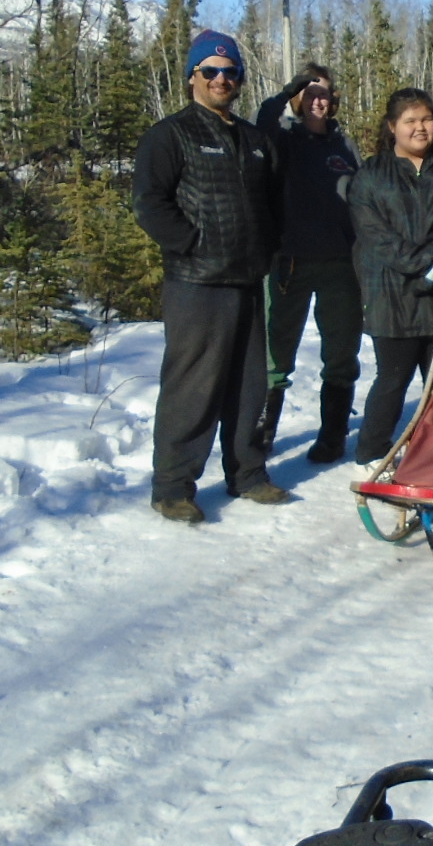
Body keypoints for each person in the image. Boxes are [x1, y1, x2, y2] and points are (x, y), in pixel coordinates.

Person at [133, 29, 289, 523]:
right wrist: (193, 243)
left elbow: (272, 205)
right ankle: (173, 487)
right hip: (197, 283)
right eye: (210, 71)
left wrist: (272, 252)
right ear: (192, 78)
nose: (221, 79)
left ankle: (247, 474)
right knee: (194, 387)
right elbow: (149, 204)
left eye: (230, 71)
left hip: (248, 280)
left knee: (249, 387)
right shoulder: (170, 135)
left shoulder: (254, 140)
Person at [347, 88, 433, 471]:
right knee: (393, 377)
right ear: (392, 127)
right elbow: (374, 233)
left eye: (427, 119)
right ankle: (372, 450)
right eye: (410, 121)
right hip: (391, 293)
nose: (421, 127)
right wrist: (419, 264)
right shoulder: (371, 174)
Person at [261, 66, 363, 465]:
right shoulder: (283, 140)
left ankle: (333, 434)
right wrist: (287, 91)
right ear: (297, 98)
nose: (317, 99)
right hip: (290, 262)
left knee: (341, 353)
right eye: (309, 92)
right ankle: (262, 432)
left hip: (340, 264)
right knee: (275, 351)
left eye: (324, 93)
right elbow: (261, 122)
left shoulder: (344, 146)